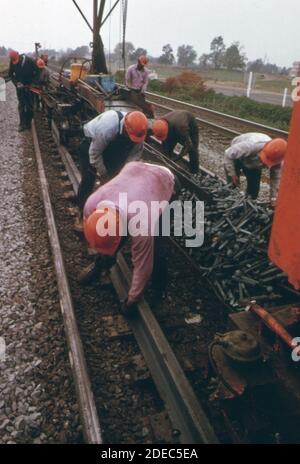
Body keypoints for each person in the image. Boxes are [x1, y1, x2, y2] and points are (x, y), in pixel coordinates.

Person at [82, 161, 176, 315]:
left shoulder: (142, 224)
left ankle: (159, 291)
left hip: (163, 179)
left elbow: (143, 266)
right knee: (106, 238)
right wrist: (105, 250)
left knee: (157, 250)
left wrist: (132, 299)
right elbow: (100, 236)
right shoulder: (91, 204)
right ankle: (100, 266)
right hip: (134, 169)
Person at [75, 110, 148, 231]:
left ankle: (109, 217)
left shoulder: (138, 132)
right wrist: (103, 174)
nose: (133, 140)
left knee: (115, 183)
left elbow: (133, 157)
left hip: (113, 148)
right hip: (90, 145)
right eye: (130, 136)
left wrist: (124, 175)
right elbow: (94, 154)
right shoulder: (107, 128)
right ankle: (81, 215)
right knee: (88, 179)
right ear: (125, 126)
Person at [224, 133, 287, 205]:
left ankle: (247, 206)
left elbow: (275, 179)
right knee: (232, 185)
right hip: (237, 157)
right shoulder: (250, 146)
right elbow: (228, 154)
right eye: (266, 160)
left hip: (254, 163)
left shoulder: (278, 158)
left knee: (253, 192)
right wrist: (232, 173)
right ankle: (229, 203)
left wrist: (273, 199)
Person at [8, 50, 39, 131]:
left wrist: (32, 84)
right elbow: (10, 74)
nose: (13, 61)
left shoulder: (30, 61)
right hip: (20, 88)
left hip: (30, 87)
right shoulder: (12, 61)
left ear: (18, 54)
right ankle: (22, 124)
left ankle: (28, 123)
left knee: (30, 106)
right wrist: (16, 83)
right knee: (21, 105)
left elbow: (37, 73)